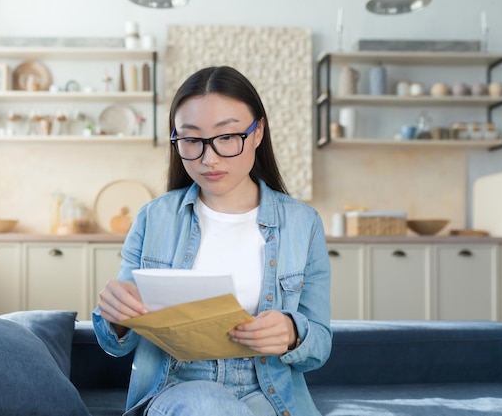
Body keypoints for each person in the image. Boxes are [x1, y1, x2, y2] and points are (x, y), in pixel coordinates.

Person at [93, 65, 332, 416]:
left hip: (268, 393)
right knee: (207, 404)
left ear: (257, 132)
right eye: (191, 140)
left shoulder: (303, 223)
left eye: (227, 137)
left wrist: (292, 333)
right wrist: (115, 316)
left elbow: (320, 345)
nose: (209, 158)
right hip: (177, 389)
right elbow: (116, 345)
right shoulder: (154, 218)